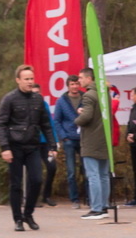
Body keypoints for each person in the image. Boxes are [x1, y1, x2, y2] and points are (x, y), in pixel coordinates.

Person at [0, 65, 56, 231]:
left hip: (33, 146)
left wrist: (52, 145)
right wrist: (5, 147)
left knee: (36, 180)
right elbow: (1, 124)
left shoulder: (39, 100)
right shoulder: (9, 99)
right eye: (26, 79)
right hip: (14, 146)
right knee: (16, 184)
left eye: (31, 79)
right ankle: (18, 219)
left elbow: (46, 125)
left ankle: (28, 214)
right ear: (18, 80)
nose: (30, 82)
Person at [74, 67, 110, 220]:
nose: (79, 81)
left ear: (89, 79)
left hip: (91, 140)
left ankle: (96, 208)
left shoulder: (89, 95)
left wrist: (77, 119)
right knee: (103, 175)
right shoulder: (105, 94)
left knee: (93, 175)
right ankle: (104, 205)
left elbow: (87, 117)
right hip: (104, 139)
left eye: (81, 78)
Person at [52, 75, 84, 208]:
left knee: (87, 170)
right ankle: (74, 199)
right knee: (71, 171)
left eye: (77, 84)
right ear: (68, 86)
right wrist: (64, 137)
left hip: (84, 139)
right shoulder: (62, 101)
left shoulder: (85, 97)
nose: (75, 87)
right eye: (72, 84)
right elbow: (57, 120)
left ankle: (88, 198)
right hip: (69, 139)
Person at [29, 83, 58, 207]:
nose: (36, 95)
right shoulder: (26, 105)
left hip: (45, 142)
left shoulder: (44, 105)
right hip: (32, 142)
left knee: (52, 167)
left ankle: (46, 195)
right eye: (34, 92)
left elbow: (50, 124)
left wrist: (54, 143)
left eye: (38, 92)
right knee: (34, 171)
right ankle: (32, 197)